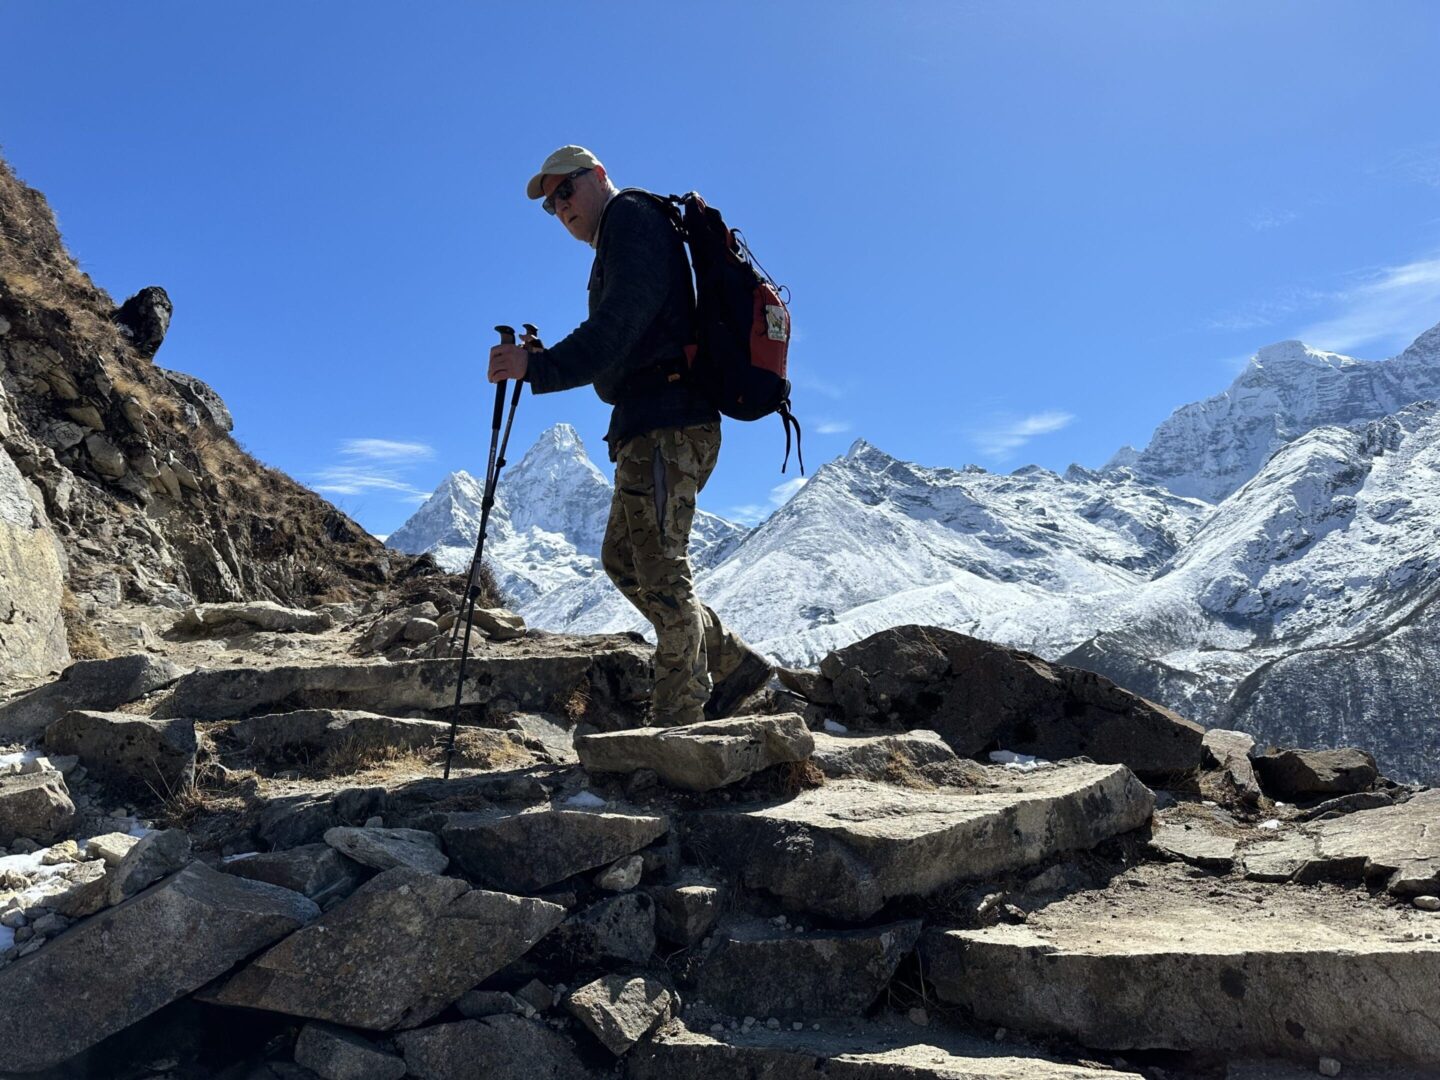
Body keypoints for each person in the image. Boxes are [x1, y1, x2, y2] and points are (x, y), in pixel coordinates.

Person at [487, 145, 771, 725]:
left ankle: (680, 716)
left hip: (670, 424)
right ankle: (733, 664)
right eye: (550, 205)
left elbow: (614, 330)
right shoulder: (622, 236)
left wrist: (535, 368)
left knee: (662, 570)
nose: (561, 208)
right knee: (624, 559)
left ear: (597, 177)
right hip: (648, 425)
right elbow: (621, 333)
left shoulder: (633, 221)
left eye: (565, 190)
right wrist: (545, 359)